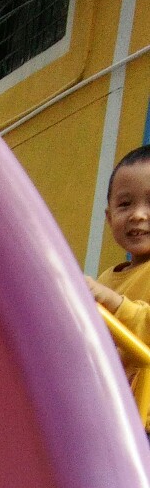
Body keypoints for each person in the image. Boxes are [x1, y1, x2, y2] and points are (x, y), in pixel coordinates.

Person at [87, 144, 150, 411]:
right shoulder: (106, 279)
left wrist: (113, 303)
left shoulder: (106, 292)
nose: (138, 214)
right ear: (109, 217)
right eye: (125, 204)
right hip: (115, 413)